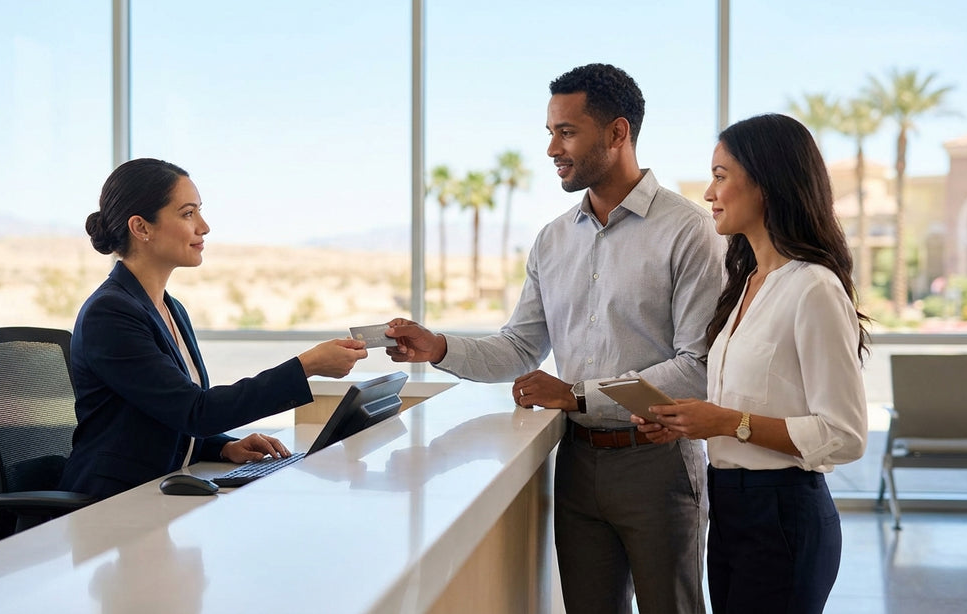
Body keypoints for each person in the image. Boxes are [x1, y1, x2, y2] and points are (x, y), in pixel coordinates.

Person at [385, 63, 725, 614]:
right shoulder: (551, 241)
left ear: (618, 133)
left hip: (658, 466)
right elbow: (519, 348)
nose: (551, 149)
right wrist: (439, 347)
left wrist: (577, 395)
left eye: (566, 132)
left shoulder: (689, 231)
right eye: (550, 132)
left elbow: (697, 368)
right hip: (575, 463)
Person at [633, 113, 870, 614]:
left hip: (784, 516)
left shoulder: (814, 288)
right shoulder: (742, 286)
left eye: (721, 176)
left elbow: (845, 434)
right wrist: (690, 421)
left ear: (766, 183)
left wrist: (724, 422)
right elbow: (749, 406)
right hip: (732, 510)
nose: (708, 192)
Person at [58, 158, 368, 500]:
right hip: (110, 504)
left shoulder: (171, 309)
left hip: (157, 493)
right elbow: (195, 411)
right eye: (188, 213)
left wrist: (223, 447)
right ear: (141, 227)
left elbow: (164, 415)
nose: (203, 227)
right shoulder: (110, 314)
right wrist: (306, 366)